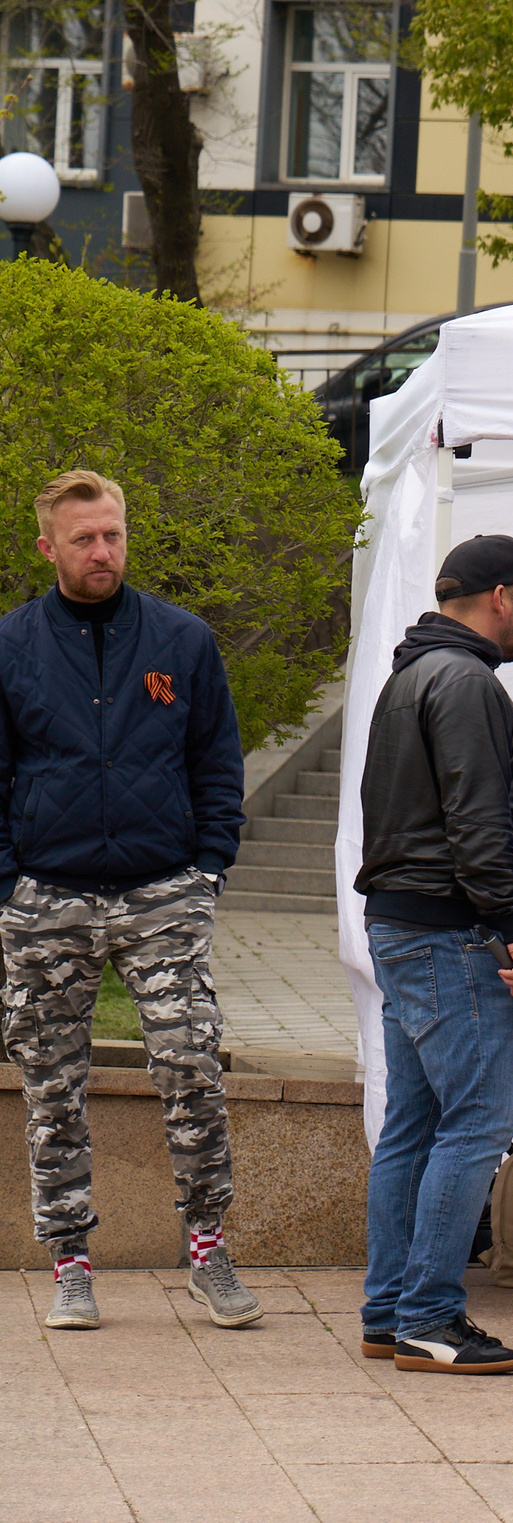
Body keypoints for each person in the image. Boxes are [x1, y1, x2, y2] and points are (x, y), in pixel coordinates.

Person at [0, 470, 251, 1335]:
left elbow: (217, 758)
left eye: (112, 534)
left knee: (191, 1065)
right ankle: (70, 1261)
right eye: (84, 538)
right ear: (49, 547)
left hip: (162, 892)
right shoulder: (11, 644)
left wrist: (209, 869)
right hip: (47, 896)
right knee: (51, 1085)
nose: (102, 550)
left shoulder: (181, 640)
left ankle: (208, 1246)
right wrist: (9, 882)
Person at [355, 533, 513, 1373]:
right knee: (477, 1120)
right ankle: (430, 1317)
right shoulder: (467, 680)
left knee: (413, 1124)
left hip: (404, 923)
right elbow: (478, 820)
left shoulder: (409, 674)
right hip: (451, 930)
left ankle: (388, 1311)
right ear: (500, 597)